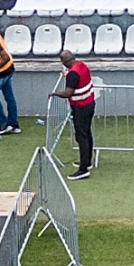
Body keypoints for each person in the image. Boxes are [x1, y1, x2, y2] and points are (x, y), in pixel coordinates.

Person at [47, 49, 95, 178]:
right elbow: (78, 79)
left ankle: (83, 169)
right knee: (87, 133)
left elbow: (68, 93)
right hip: (90, 104)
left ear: (65, 61)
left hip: (81, 107)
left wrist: (55, 93)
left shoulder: (72, 74)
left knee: (81, 136)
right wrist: (67, 75)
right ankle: (87, 161)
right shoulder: (81, 65)